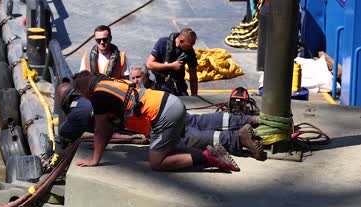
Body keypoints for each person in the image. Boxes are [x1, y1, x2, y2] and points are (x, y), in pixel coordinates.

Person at [71, 70, 240, 172]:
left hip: (163, 115)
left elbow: (101, 130)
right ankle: (226, 141)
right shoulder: (104, 81)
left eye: (81, 94)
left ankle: (210, 157)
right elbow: (107, 126)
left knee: (157, 162)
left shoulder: (98, 96)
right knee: (181, 140)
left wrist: (95, 160)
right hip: (169, 101)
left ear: (85, 90)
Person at [130, 64, 264, 160]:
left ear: (147, 76)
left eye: (138, 77)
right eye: (133, 78)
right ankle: (251, 120)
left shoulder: (142, 92)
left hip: (163, 125)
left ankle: (238, 138)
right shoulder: (152, 90)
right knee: (200, 122)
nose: (135, 81)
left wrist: (132, 138)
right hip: (173, 113)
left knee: (192, 137)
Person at [146, 28, 198, 96]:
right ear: (181, 41)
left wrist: (194, 95)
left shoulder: (190, 51)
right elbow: (149, 64)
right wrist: (171, 66)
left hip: (179, 87)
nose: (191, 47)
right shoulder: (162, 43)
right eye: (189, 45)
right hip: (162, 85)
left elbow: (193, 75)